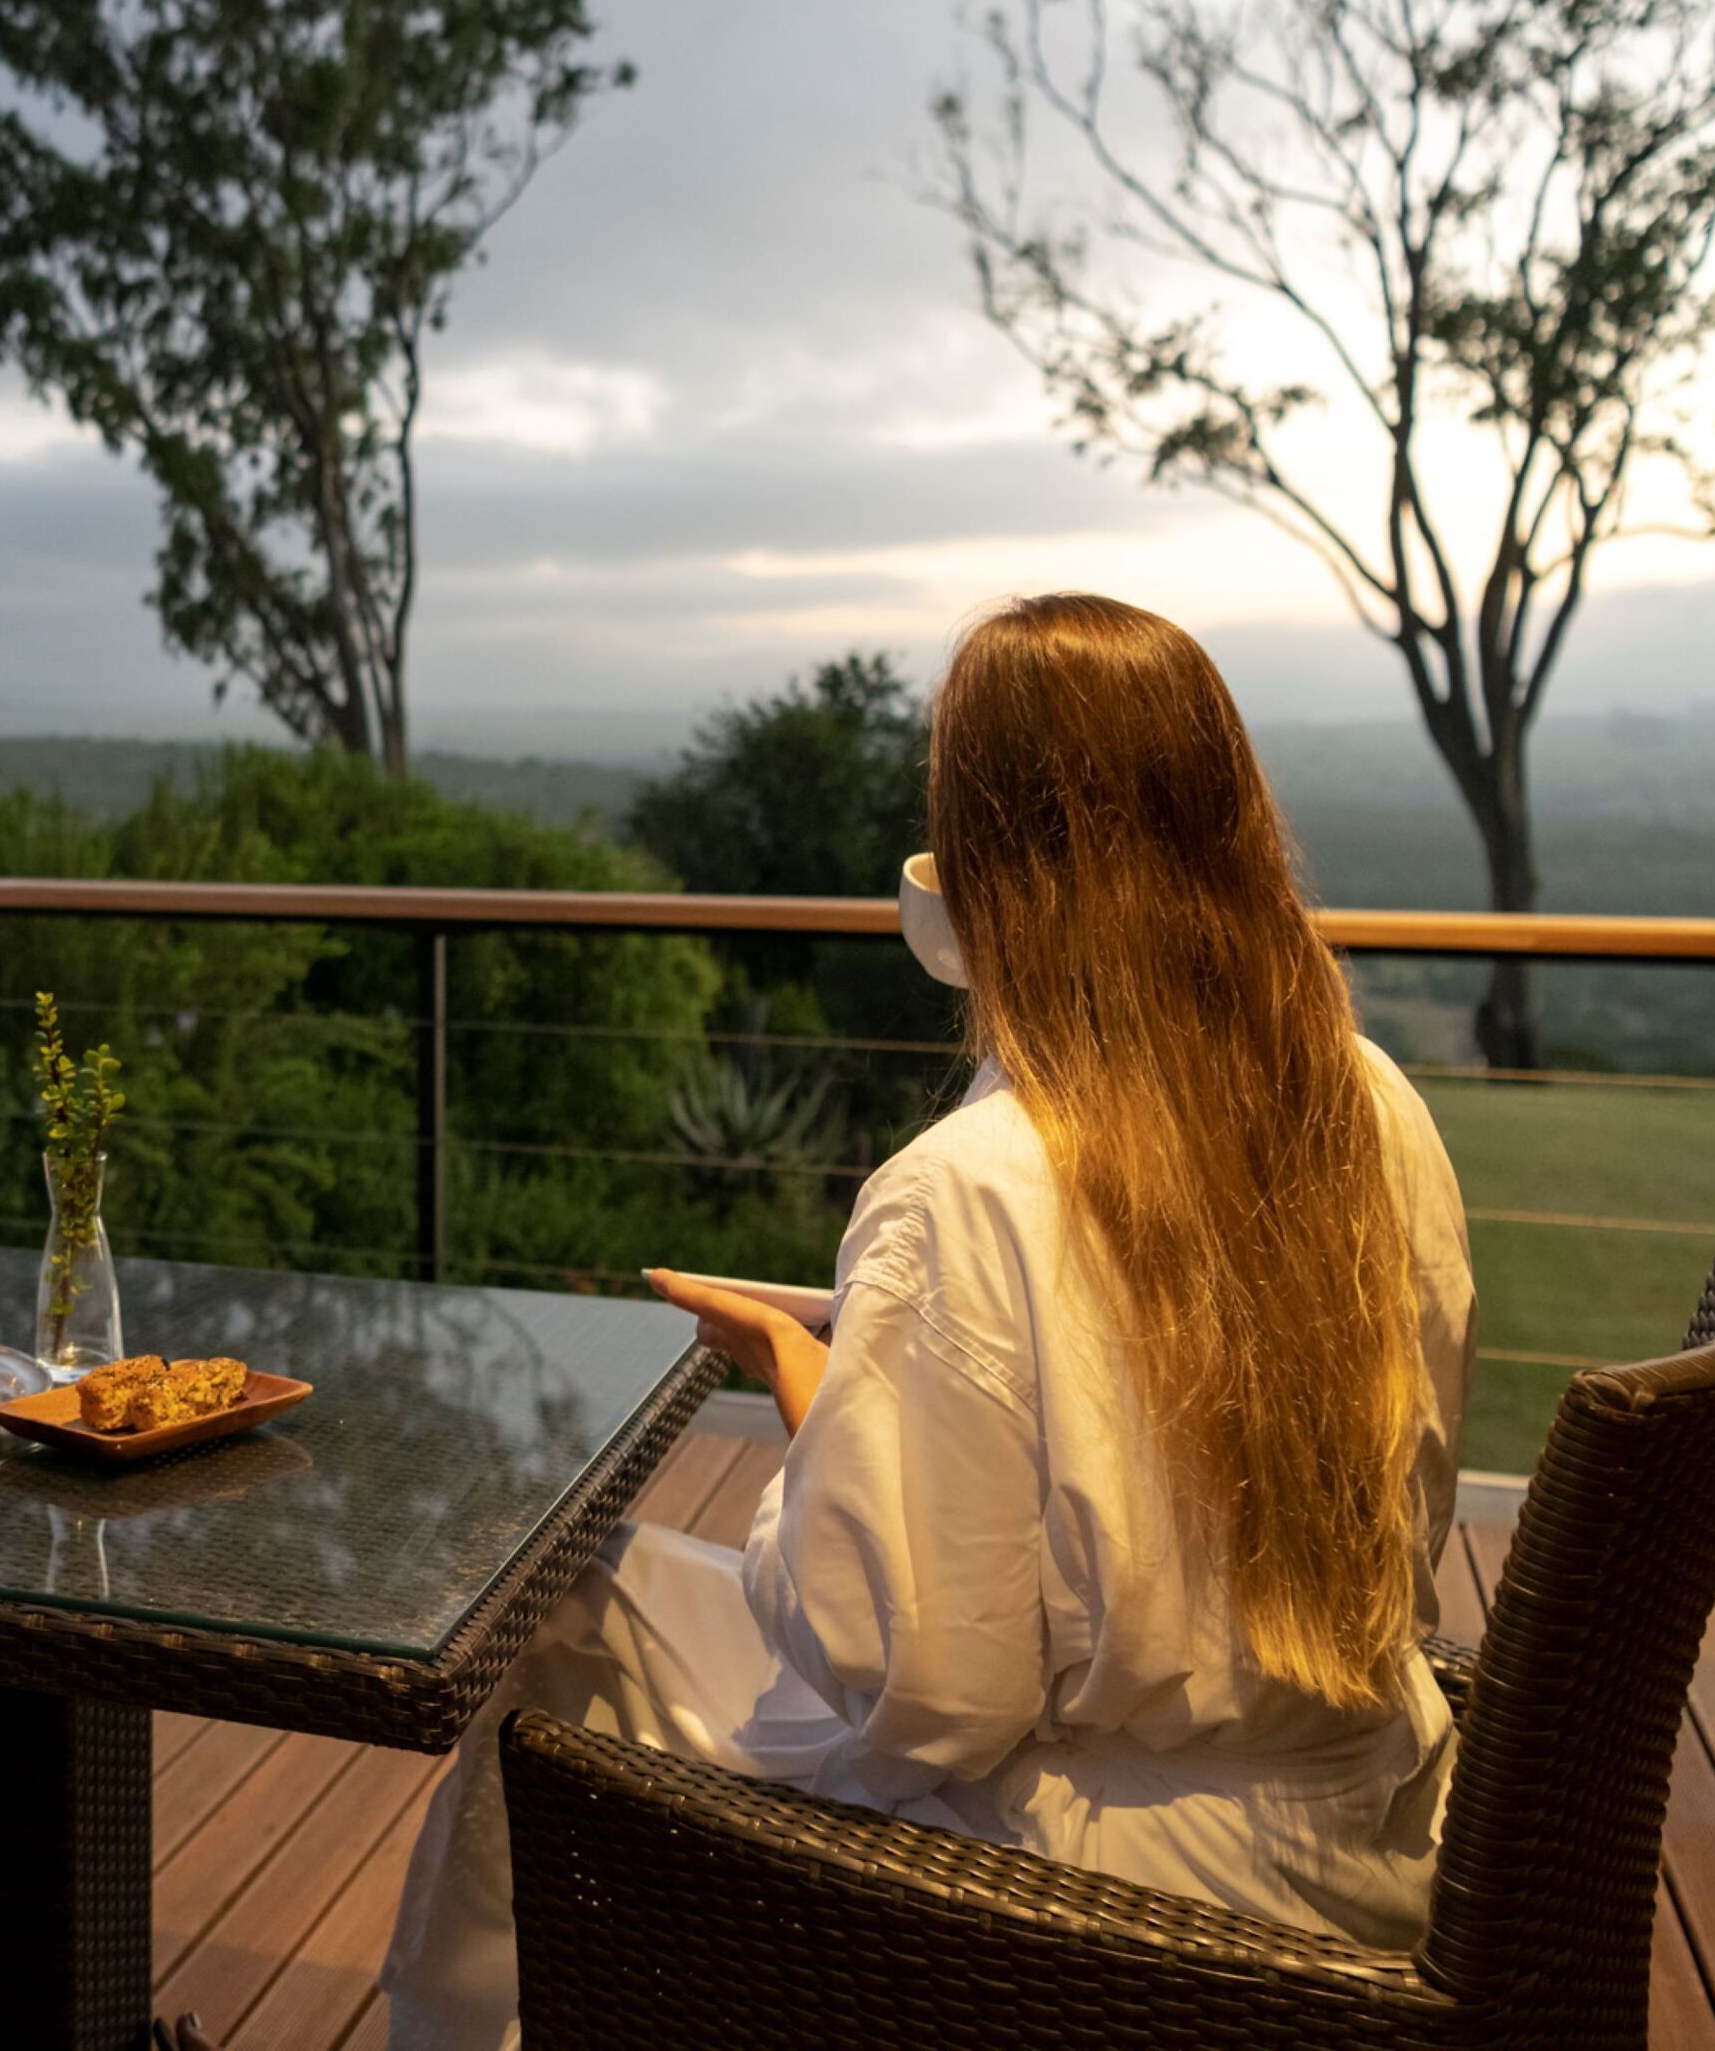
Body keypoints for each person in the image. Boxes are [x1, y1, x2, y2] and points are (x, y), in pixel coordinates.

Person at [382, 593, 1475, 2051]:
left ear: (988, 866)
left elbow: (927, 1691)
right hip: (1376, 1813)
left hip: (1107, 1907)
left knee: (566, 1621)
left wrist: (817, 1392)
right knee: (600, 1599)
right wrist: (887, 1346)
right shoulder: (1369, 1101)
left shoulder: (969, 1186)